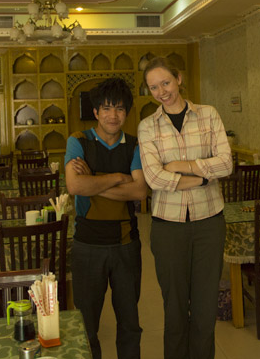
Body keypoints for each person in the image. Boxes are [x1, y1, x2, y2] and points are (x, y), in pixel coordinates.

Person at [137, 57, 233, 359]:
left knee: (205, 309)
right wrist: (202, 178)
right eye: (154, 87)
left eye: (166, 82)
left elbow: (226, 164)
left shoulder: (208, 115)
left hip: (209, 224)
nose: (162, 92)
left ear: (178, 79)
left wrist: (181, 165)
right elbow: (154, 178)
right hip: (168, 227)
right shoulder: (147, 127)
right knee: (175, 309)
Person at [64, 77, 148, 359]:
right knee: (86, 327)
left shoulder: (134, 146)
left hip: (126, 245)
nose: (114, 115)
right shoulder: (78, 141)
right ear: (96, 112)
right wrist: (117, 178)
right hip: (87, 246)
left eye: (120, 109)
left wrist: (94, 181)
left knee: (130, 325)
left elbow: (139, 191)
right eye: (107, 108)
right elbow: (75, 185)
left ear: (127, 113)